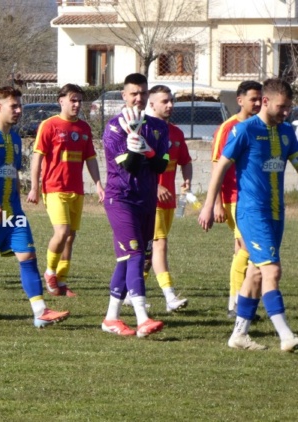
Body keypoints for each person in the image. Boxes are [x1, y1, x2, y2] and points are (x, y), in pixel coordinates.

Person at [0, 86, 70, 329]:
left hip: (13, 212)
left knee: (28, 256)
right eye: (14, 106)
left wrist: (19, 202)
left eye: (20, 105)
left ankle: (40, 312)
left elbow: (13, 174)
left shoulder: (16, 139)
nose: (19, 110)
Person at [199, 78, 298, 352]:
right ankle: (286, 335)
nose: (286, 112)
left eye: (289, 107)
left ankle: (239, 335)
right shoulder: (244, 130)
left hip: (277, 213)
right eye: (282, 107)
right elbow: (220, 168)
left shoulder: (287, 132)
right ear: (266, 101)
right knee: (272, 270)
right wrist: (209, 204)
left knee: (255, 272)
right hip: (252, 211)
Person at [100, 73, 168, 338]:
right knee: (136, 254)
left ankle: (111, 318)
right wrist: (135, 143)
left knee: (127, 259)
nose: (138, 98)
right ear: (124, 96)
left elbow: (161, 165)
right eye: (133, 93)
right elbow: (128, 165)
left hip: (146, 200)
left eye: (142, 93)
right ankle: (142, 318)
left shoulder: (158, 127)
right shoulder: (114, 127)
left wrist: (148, 149)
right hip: (121, 198)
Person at [26, 83, 103, 297]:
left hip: (76, 189)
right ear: (61, 101)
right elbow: (37, 157)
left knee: (70, 236)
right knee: (62, 232)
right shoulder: (49, 125)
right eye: (73, 100)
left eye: (79, 101)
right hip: (54, 187)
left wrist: (98, 184)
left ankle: (61, 282)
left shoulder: (84, 128)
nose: (77, 104)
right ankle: (50, 272)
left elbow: (90, 159)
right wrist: (34, 187)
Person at [211, 80, 262, 318]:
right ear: (240, 100)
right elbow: (216, 165)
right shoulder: (228, 128)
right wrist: (217, 203)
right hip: (233, 198)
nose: (258, 103)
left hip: (253, 198)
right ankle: (235, 304)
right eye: (253, 99)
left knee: (241, 249)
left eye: (260, 99)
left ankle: (240, 302)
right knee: (248, 248)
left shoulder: (260, 126)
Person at [144, 84, 191, 312]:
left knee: (148, 250)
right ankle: (170, 296)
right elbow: (136, 166)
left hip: (169, 201)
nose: (170, 105)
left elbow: (186, 161)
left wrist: (187, 180)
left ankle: (129, 292)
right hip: (149, 200)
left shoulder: (176, 133)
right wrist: (155, 187)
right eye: (165, 101)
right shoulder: (144, 130)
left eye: (171, 100)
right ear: (152, 104)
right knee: (159, 245)